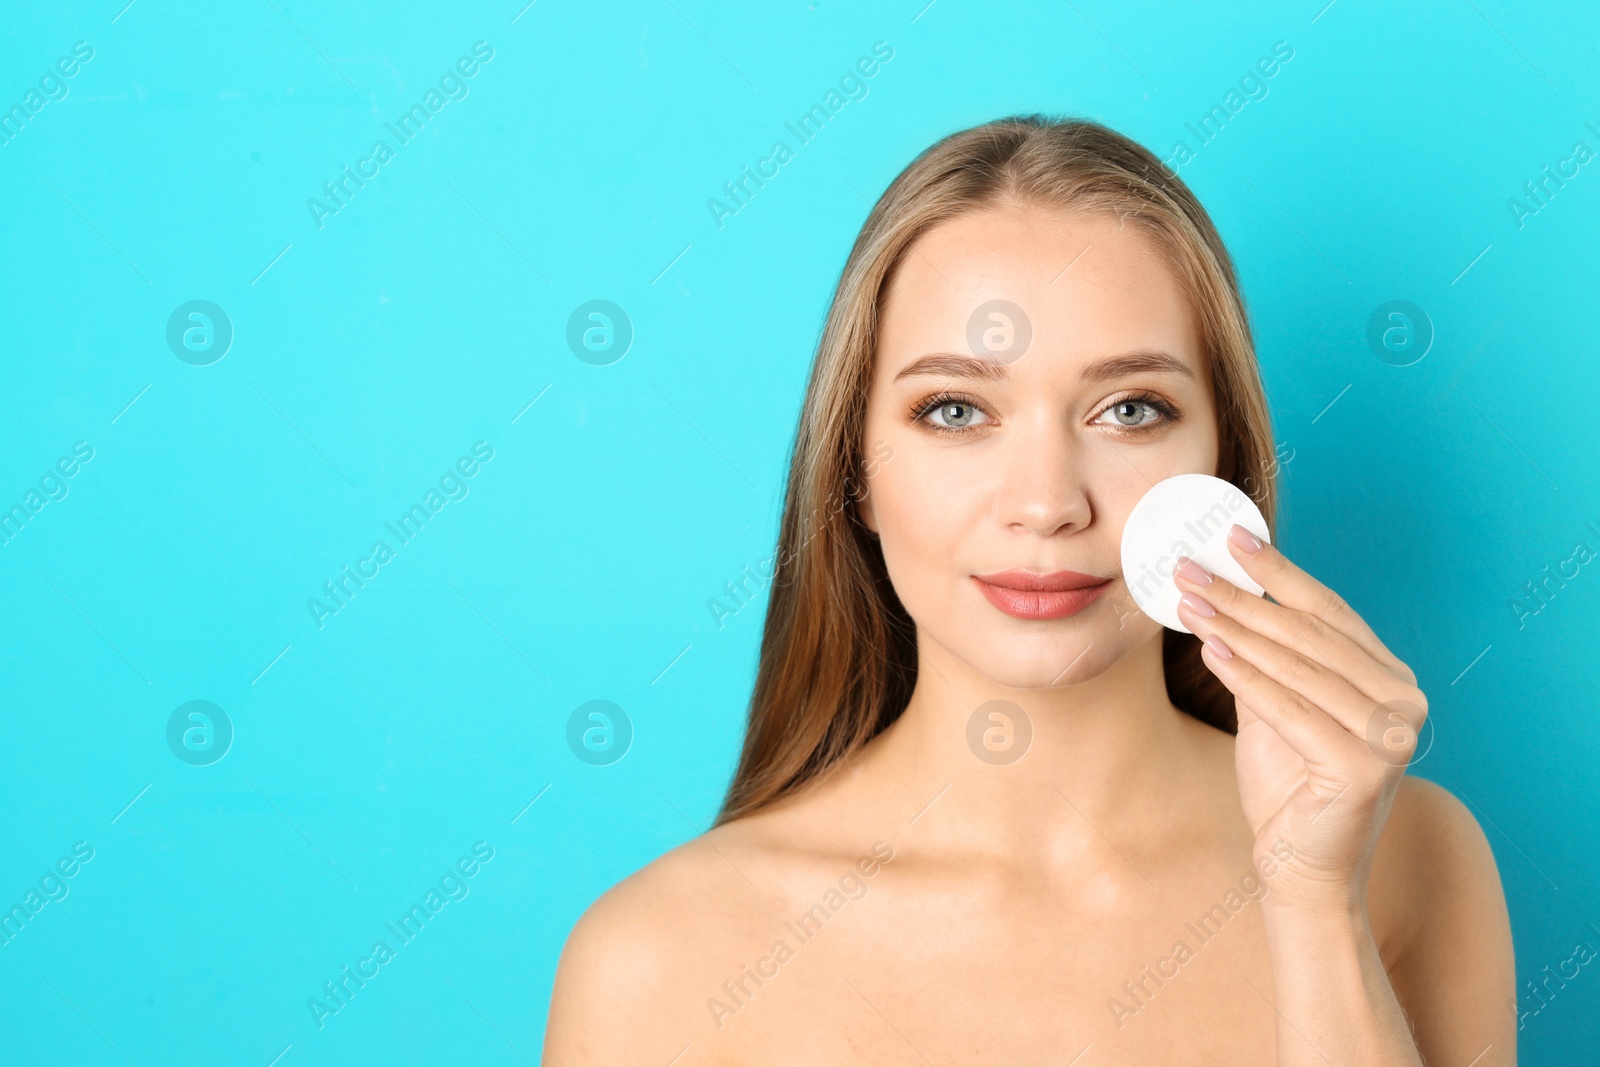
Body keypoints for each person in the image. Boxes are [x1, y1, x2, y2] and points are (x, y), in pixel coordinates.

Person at [543, 114, 1515, 1065]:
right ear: (855, 475)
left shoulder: (1416, 859)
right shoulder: (655, 959)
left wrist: (1312, 905)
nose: (1047, 504)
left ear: (1224, 463)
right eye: (955, 409)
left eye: (1130, 409)